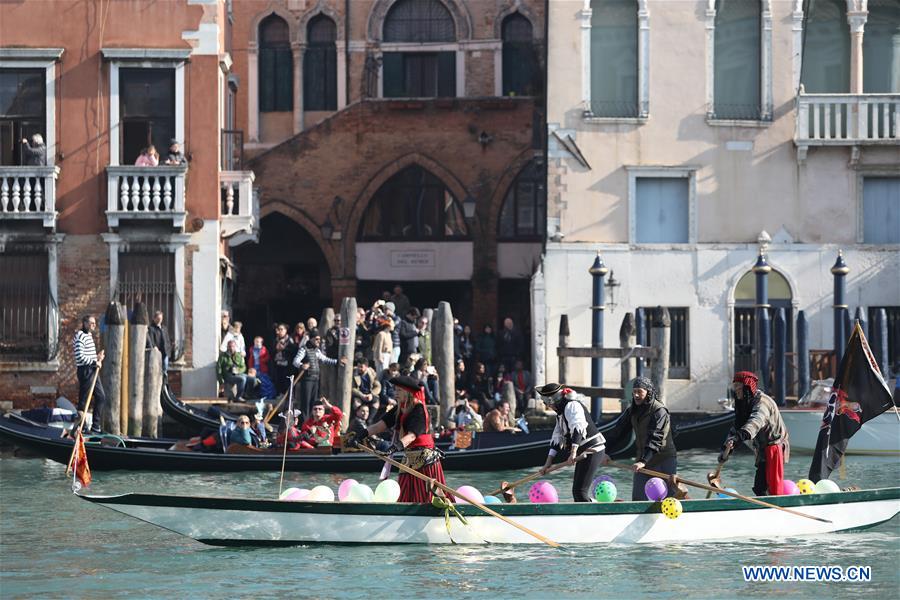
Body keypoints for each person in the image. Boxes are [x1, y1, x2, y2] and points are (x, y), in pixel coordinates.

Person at [356, 375, 450, 503]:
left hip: (425, 459)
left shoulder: (419, 409)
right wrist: (361, 434)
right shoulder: (399, 408)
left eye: (399, 390)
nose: (395, 393)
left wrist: (394, 448)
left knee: (427, 498)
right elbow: (380, 425)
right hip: (409, 457)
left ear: (408, 392)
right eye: (395, 390)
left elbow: (412, 435)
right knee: (405, 495)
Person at [600, 377, 678, 500]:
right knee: (638, 498)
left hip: (663, 459)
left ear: (648, 392)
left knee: (669, 499)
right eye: (634, 391)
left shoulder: (659, 411)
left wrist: (643, 461)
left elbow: (656, 438)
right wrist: (606, 452)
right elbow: (618, 432)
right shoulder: (632, 410)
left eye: (639, 392)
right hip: (642, 460)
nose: (636, 395)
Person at [718, 371, 790, 496]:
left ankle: (774, 510)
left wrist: (738, 438)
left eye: (738, 388)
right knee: (759, 488)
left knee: (771, 489)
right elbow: (736, 428)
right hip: (762, 450)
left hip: (774, 449)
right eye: (735, 388)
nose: (736, 391)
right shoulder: (744, 404)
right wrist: (725, 450)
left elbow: (755, 423)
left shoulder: (763, 403)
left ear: (746, 387)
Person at [537, 383, 605, 502]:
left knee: (580, 492)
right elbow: (556, 439)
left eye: (547, 403)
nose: (547, 406)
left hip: (593, 449)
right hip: (582, 453)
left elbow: (578, 429)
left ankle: (594, 515)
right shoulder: (560, 414)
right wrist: (547, 463)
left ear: (553, 400)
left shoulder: (572, 406)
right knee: (577, 492)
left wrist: (573, 453)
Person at [293, 330, 345, 416]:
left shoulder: (317, 351)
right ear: (311, 339)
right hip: (307, 380)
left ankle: (312, 421)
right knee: (306, 402)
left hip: (315, 379)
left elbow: (325, 359)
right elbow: (295, 361)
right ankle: (304, 422)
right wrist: (302, 365)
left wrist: (338, 361)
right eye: (317, 339)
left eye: (319, 339)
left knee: (313, 402)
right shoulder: (304, 349)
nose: (319, 341)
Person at [73, 315, 107, 433]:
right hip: (85, 371)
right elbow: (79, 356)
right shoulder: (80, 336)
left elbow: (88, 356)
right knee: (84, 400)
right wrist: (95, 361)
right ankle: (82, 427)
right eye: (92, 323)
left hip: (92, 369)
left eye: (94, 323)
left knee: (101, 397)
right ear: (85, 323)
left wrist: (97, 357)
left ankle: (95, 427)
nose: (94, 325)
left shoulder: (89, 335)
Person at [271, 323, 297, 395]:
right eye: (279, 329)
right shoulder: (275, 340)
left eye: (282, 329)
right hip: (277, 364)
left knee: (287, 381)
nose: (280, 331)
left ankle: (288, 396)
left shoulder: (290, 340)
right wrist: (276, 349)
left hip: (287, 364)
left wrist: (284, 349)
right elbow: (271, 352)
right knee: (278, 380)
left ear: (286, 330)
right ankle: (279, 394)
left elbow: (294, 351)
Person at [146, 310, 172, 374]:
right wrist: (154, 347)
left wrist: (169, 348)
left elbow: (167, 339)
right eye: (158, 319)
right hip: (157, 352)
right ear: (154, 318)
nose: (159, 320)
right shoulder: (151, 328)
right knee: (157, 369)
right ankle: (160, 383)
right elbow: (151, 340)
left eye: (161, 319)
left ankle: (164, 383)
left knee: (165, 368)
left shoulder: (164, 328)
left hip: (165, 352)